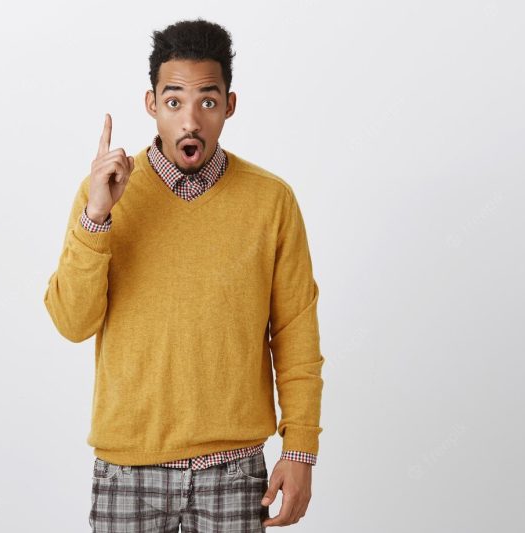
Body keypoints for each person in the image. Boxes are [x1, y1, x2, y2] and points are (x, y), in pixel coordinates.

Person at [43, 18, 324, 532]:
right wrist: (98, 218)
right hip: (127, 471)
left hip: (234, 470)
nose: (190, 120)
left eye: (207, 102)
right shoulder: (103, 193)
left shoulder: (271, 201)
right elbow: (71, 322)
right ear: (151, 104)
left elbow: (295, 334)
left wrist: (301, 449)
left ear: (229, 105)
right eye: (174, 102)